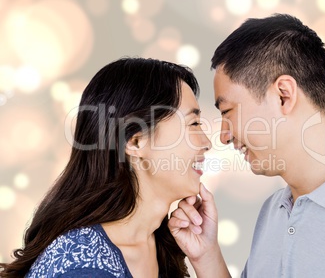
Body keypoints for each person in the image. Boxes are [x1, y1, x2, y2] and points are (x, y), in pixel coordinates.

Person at [168, 13, 325, 277]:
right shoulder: (274, 211)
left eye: (227, 111)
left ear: (283, 95)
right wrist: (207, 256)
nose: (223, 136)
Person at [0, 57, 211, 278]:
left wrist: (206, 256)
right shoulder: (83, 267)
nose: (207, 142)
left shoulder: (158, 246)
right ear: (135, 142)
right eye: (194, 124)